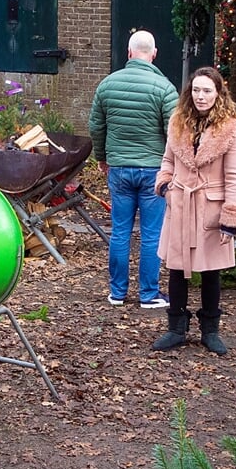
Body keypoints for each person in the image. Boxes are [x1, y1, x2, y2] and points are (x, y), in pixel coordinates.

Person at [152, 67, 236, 356]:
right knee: (177, 268)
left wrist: (230, 217)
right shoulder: (178, 122)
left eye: (207, 90)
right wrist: (166, 186)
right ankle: (176, 328)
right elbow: (167, 161)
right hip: (180, 203)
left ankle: (210, 330)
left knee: (211, 271)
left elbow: (234, 176)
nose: (201, 96)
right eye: (196, 90)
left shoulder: (229, 128)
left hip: (210, 206)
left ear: (218, 93)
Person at [88, 30, 178, 308]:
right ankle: (149, 295)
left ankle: (117, 293)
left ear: (129, 53)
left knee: (120, 231)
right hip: (153, 170)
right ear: (154, 54)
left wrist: (102, 157)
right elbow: (174, 133)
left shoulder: (107, 85)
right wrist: (171, 167)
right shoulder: (164, 88)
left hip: (119, 168)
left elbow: (96, 127)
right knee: (151, 234)